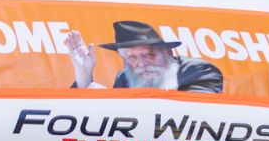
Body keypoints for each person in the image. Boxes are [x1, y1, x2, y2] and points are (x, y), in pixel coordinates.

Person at [66, 21, 223, 93]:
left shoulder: (200, 70)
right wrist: (84, 75)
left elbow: (189, 116)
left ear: (168, 53)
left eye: (149, 54)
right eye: (132, 58)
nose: (141, 63)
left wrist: (112, 99)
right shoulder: (125, 77)